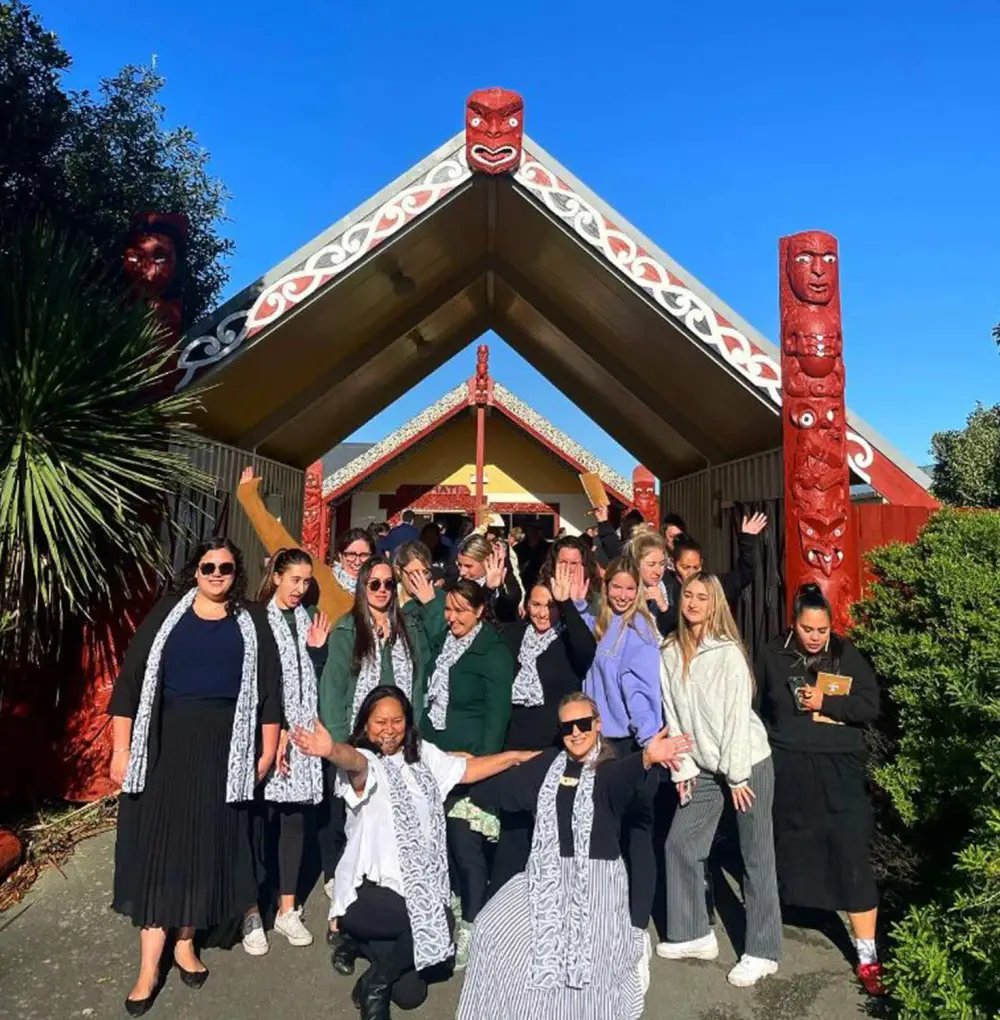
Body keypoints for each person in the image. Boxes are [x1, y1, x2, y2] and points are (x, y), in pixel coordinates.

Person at [108, 538, 281, 1016]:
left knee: (204, 846)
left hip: (225, 749)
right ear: (195, 571)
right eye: (208, 567)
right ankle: (149, 966)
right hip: (167, 745)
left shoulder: (252, 620)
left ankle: (185, 943)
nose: (217, 574)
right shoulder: (168, 613)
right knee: (161, 848)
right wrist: (121, 749)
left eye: (226, 567)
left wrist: (268, 749)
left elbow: (269, 690)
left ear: (236, 572)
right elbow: (130, 680)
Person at [292, 687, 538, 1020]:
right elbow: (353, 761)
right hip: (368, 892)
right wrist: (331, 750)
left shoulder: (422, 755)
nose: (389, 730)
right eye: (380, 722)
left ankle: (370, 970)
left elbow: (465, 770)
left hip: (414, 890)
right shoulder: (367, 763)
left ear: (407, 723)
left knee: (411, 994)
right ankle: (356, 939)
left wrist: (514, 757)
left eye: (397, 721)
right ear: (365, 725)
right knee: (440, 919)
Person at [457, 694, 694, 1020]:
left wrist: (645, 758)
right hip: (546, 875)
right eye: (568, 727)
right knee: (490, 929)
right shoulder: (548, 764)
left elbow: (619, 779)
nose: (576, 732)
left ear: (597, 725)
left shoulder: (610, 766)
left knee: (582, 966)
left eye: (583, 724)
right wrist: (465, 773)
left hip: (595, 883)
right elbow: (504, 789)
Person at [755, 584, 884, 995]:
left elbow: (870, 705)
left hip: (840, 767)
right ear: (794, 623)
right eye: (808, 628)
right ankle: (770, 930)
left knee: (850, 852)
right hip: (791, 762)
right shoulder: (772, 654)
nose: (815, 637)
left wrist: (825, 704)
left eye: (822, 630)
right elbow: (759, 707)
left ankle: (868, 957)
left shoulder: (845, 653)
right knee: (789, 841)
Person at [657, 573, 781, 987]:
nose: (693, 603)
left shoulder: (727, 653)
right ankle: (694, 933)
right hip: (703, 766)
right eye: (688, 595)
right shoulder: (669, 651)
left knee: (755, 855)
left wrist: (739, 775)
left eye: (702, 597)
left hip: (746, 763)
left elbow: (736, 718)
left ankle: (763, 951)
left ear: (715, 605)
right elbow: (673, 715)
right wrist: (683, 769)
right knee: (681, 843)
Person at [420, 578, 515, 967]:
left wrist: (479, 764)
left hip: (470, 766)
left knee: (465, 844)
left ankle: (474, 926)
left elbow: (497, 718)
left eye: (461, 610)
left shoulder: (492, 652)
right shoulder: (444, 643)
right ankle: (452, 911)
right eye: (449, 609)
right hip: (433, 759)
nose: (452, 617)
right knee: (440, 843)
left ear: (479, 611)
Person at [490, 561, 598, 893]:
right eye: (536, 604)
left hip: (551, 746)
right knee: (513, 831)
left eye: (549, 606)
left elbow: (587, 649)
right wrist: (491, 590)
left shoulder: (566, 639)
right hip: (514, 744)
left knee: (550, 827)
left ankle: (554, 894)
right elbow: (487, 628)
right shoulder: (516, 636)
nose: (542, 612)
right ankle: (505, 899)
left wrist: (566, 604)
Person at [244, 549, 331, 956]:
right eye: (294, 579)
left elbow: (314, 678)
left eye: (306, 581)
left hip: (302, 734)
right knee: (259, 822)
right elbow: (258, 680)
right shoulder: (257, 619)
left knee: (294, 821)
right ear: (276, 576)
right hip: (266, 733)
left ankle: (286, 909)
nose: (300, 588)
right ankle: (250, 910)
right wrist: (273, 730)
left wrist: (317, 651)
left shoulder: (307, 618)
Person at [583, 556, 663, 932]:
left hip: (628, 743)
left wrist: (650, 742)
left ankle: (637, 923)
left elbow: (642, 691)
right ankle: (607, 914)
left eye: (631, 588)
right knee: (605, 832)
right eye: (617, 586)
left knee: (637, 832)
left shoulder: (639, 630)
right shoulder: (601, 621)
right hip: (599, 741)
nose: (623, 595)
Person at [236, 466, 364, 622]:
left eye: (364, 555)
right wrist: (248, 497)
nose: (357, 560)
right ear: (340, 555)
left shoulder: (379, 586)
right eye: (351, 554)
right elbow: (278, 538)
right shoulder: (323, 576)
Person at [659, 512, 769, 634]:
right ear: (674, 564)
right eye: (685, 567)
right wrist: (664, 608)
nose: (691, 573)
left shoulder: (713, 585)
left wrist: (747, 540)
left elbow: (744, 574)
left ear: (701, 563)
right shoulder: (664, 586)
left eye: (696, 567)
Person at [453, 532, 522, 623]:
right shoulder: (458, 580)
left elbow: (509, 608)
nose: (462, 572)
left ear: (487, 561)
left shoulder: (504, 578)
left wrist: (494, 588)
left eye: (468, 566)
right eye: (459, 565)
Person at [630, 528, 672, 638]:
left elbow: (676, 630)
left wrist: (664, 607)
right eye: (651, 564)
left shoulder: (670, 586)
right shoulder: (626, 590)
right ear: (637, 564)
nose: (658, 571)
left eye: (662, 564)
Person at [514, 523, 551, 598]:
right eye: (532, 529)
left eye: (538, 529)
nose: (535, 532)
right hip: (522, 583)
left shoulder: (547, 548)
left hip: (541, 582)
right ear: (527, 530)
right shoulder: (518, 548)